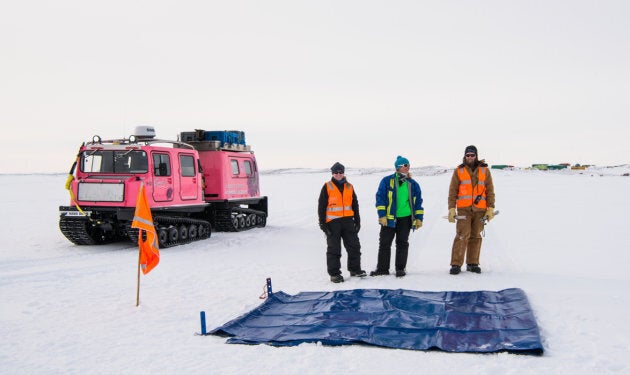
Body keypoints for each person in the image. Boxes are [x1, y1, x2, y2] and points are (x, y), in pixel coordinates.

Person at [371, 156, 424, 277]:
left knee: (402, 243)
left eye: (408, 165)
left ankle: (400, 268)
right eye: (405, 165)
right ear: (397, 167)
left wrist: (419, 218)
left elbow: (418, 202)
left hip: (405, 219)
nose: (407, 167)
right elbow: (380, 198)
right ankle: (382, 269)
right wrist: (382, 215)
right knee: (384, 243)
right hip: (389, 219)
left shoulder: (413, 184)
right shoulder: (387, 181)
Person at [447, 145, 496, 275]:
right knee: (462, 235)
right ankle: (456, 264)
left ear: (476, 156)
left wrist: (490, 207)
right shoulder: (459, 171)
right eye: (468, 155)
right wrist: (452, 208)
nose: (470, 157)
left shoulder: (485, 171)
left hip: (480, 210)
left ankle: (472, 263)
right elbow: (453, 191)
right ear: (465, 156)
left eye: (472, 155)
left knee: (476, 236)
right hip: (464, 210)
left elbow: (490, 190)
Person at [318, 162, 366, 283]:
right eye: (336, 172)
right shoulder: (327, 186)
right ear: (332, 173)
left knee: (354, 246)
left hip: (348, 221)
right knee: (334, 248)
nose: (338, 174)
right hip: (333, 223)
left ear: (343, 173)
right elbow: (321, 206)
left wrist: (358, 220)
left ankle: (355, 269)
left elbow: (355, 204)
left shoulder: (349, 187)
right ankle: (334, 274)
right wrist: (323, 224)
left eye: (340, 172)